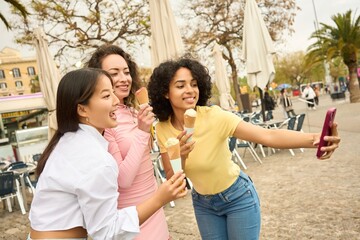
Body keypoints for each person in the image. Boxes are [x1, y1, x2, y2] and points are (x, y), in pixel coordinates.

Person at [147, 57, 340, 240]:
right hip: (203, 204)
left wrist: (315, 138)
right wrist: (180, 156)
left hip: (237, 197)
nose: (190, 90)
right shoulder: (162, 129)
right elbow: (173, 177)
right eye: (180, 86)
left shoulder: (215, 116)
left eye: (194, 84)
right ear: (165, 92)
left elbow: (267, 135)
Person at [28, 68, 187, 240]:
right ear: (82, 110)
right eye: (106, 96)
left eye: (113, 93)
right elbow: (106, 232)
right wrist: (159, 198)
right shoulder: (96, 159)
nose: (116, 101)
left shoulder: (67, 141)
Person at [87, 44, 170, 239]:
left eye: (126, 72)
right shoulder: (104, 122)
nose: (124, 79)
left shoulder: (135, 112)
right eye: (114, 73)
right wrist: (142, 132)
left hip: (155, 209)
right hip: (132, 219)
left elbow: (146, 159)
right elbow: (123, 180)